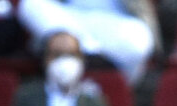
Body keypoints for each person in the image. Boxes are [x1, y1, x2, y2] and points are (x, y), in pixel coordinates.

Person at [15, 0, 158, 84]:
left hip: (115, 21)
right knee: (31, 4)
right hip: (70, 18)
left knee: (139, 39)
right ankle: (88, 51)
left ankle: (82, 51)